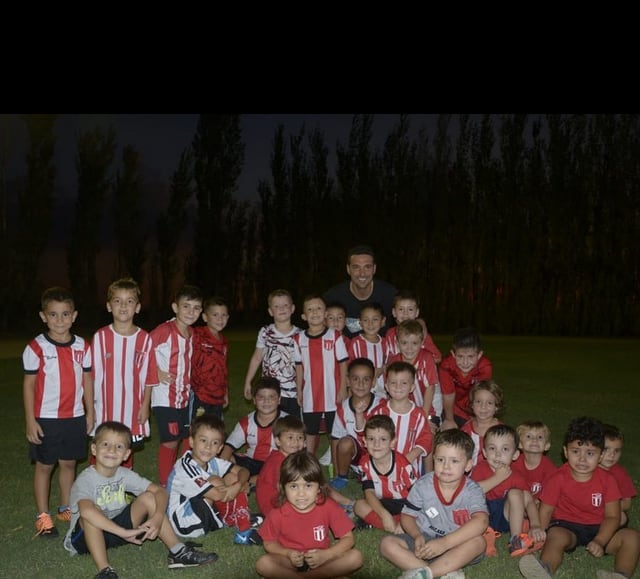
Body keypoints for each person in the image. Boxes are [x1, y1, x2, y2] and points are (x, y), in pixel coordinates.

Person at [63, 421, 217, 579]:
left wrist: (157, 517)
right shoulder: (86, 479)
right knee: (90, 514)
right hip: (86, 538)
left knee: (150, 497)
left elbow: (160, 491)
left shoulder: (123, 473)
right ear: (94, 449)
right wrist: (124, 532)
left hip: (117, 530)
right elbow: (86, 511)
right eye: (106, 444)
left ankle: (178, 551)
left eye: (119, 447)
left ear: (126, 454)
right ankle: (105, 571)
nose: (111, 450)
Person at [519, 416, 640, 579]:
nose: (582, 459)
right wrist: (539, 530)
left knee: (632, 537)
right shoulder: (558, 477)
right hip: (567, 526)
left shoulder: (608, 480)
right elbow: (546, 510)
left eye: (590, 453)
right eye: (576, 451)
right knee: (555, 537)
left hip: (600, 525)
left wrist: (600, 541)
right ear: (565, 452)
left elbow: (613, 516)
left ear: (601, 455)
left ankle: (621, 575)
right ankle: (545, 569)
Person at [23, 286, 94, 537]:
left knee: (69, 463)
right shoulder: (36, 347)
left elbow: (87, 380)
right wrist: (31, 420)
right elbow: (29, 385)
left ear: (74, 316)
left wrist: (90, 412)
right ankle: (43, 516)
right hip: (46, 418)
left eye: (65, 314)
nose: (60, 320)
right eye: (53, 315)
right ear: (43, 316)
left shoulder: (83, 346)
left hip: (74, 416)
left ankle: (66, 507)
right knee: (44, 465)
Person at [379, 429, 488, 579]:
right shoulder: (423, 485)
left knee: (478, 542)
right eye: (440, 460)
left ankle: (427, 573)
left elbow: (481, 522)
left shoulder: (472, 490)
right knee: (387, 544)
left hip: (457, 544)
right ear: (433, 459)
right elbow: (407, 516)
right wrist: (416, 535)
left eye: (454, 461)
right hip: (425, 539)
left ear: (468, 465)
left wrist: (444, 543)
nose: (446, 466)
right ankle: (441, 572)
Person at [255, 450, 364, 578]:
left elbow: (348, 539)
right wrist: (287, 553)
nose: (301, 494)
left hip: (321, 559)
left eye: (308, 486)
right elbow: (269, 543)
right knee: (263, 564)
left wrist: (326, 555)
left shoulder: (328, 506)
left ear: (319, 487)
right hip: (290, 561)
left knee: (355, 557)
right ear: (282, 488)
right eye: (294, 486)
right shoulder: (277, 511)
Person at [166, 413, 262, 546]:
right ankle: (242, 528)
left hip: (202, 508)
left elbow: (243, 471)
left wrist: (239, 483)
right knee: (216, 481)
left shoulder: (213, 461)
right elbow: (217, 495)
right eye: (203, 440)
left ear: (220, 448)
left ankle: (237, 515)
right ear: (192, 441)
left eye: (214, 443)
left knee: (233, 477)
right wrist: (240, 487)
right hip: (186, 523)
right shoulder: (184, 468)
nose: (208, 447)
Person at [92, 277, 156, 469]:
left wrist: (145, 405)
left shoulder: (144, 339)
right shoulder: (101, 337)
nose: (123, 306)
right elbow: (92, 375)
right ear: (109, 306)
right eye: (117, 301)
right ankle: (94, 490)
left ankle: (121, 492)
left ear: (137, 307)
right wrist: (90, 407)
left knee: (124, 450)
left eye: (129, 301)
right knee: (101, 448)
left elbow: (149, 376)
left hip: (132, 407)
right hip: (104, 407)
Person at [149, 284, 203, 487]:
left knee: (186, 437)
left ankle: (182, 476)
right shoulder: (165, 330)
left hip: (184, 397)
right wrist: (156, 372)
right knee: (171, 440)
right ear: (175, 307)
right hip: (164, 397)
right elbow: (142, 351)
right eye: (186, 306)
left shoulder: (191, 333)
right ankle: (165, 485)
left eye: (196, 308)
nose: (191, 312)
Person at [471, 424, 546, 557]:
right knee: (474, 497)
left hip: (505, 517)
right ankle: (486, 537)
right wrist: (499, 477)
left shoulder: (516, 475)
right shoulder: (480, 470)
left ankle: (516, 540)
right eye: (492, 448)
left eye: (505, 449)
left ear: (515, 454)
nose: (498, 454)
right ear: (484, 452)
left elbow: (529, 501)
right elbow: (472, 492)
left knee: (516, 493)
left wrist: (536, 524)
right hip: (482, 516)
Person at [294, 294, 349, 456]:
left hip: (333, 394)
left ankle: (337, 469)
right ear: (304, 316)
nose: (315, 312)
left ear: (325, 313)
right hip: (311, 395)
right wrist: (299, 391)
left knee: (335, 433)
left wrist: (343, 389)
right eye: (310, 309)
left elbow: (343, 363)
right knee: (310, 432)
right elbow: (299, 368)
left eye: (319, 308)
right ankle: (309, 464)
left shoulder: (335, 336)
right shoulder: (298, 339)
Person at [353, 414, 418, 533]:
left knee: (420, 513)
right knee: (359, 506)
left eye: (383, 439)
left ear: (392, 442)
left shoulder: (403, 465)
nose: (376, 444)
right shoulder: (364, 463)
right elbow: (369, 493)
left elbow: (417, 496)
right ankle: (396, 526)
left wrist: (409, 515)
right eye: (371, 439)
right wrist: (384, 515)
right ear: (365, 442)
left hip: (405, 503)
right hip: (382, 503)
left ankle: (402, 523)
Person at [243, 289, 301, 417]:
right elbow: (257, 357)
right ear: (270, 311)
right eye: (276, 306)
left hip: (293, 392)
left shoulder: (300, 335)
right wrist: (248, 381)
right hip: (269, 391)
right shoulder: (265, 332)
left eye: (285, 305)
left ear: (292, 308)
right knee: (269, 425)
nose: (281, 309)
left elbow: (304, 365)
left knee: (291, 428)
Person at [368, 361, 433, 475]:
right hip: (381, 467)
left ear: (412, 387)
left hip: (409, 469)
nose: (398, 387)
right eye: (393, 382)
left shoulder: (419, 415)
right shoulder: (378, 412)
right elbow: (368, 436)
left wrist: (411, 456)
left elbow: (426, 439)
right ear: (386, 386)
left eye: (404, 383)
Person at [329, 357, 383, 490]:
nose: (361, 384)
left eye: (366, 379)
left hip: (378, 453)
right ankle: (343, 476)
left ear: (373, 382)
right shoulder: (343, 408)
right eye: (355, 379)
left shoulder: (382, 405)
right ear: (348, 381)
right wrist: (336, 473)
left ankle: (374, 473)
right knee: (345, 442)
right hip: (357, 454)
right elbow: (336, 440)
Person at [220, 376, 287, 485]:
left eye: (271, 397)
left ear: (279, 400)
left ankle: (250, 481)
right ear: (254, 400)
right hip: (250, 462)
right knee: (221, 455)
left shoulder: (287, 422)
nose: (266, 401)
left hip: (274, 464)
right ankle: (252, 481)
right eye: (261, 397)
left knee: (286, 468)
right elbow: (228, 446)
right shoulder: (246, 422)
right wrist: (220, 466)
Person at [323, 244, 397, 338]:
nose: (362, 273)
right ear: (348, 269)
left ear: (374, 269)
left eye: (367, 267)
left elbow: (410, 319)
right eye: (356, 267)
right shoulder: (332, 297)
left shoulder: (389, 294)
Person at [386, 320, 441, 432]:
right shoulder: (394, 361)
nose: (409, 348)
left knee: (427, 434)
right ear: (397, 342)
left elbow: (430, 388)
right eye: (404, 343)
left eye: (414, 343)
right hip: (403, 408)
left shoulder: (427, 358)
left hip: (427, 410)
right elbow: (391, 391)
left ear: (422, 342)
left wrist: (423, 417)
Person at [440, 327, 493, 430]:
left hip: (472, 406)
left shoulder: (485, 367)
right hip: (452, 406)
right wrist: (449, 420)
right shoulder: (447, 366)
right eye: (460, 356)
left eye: (470, 357)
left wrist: (477, 418)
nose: (465, 362)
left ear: (479, 355)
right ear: (453, 354)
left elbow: (481, 395)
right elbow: (448, 395)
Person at [255, 414, 307, 516]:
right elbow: (283, 488)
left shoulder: (292, 457)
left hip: (282, 499)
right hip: (273, 506)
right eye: (290, 437)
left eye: (300, 437)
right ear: (278, 441)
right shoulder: (278, 461)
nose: (295, 441)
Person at [190, 295, 230, 420]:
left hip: (217, 396)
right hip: (199, 394)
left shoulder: (224, 342)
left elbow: (222, 370)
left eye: (224, 315)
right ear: (205, 317)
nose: (220, 319)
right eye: (215, 315)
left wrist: (225, 393)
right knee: (196, 428)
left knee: (215, 429)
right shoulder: (197, 334)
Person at [384, 290, 441, 364]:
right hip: (397, 373)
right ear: (394, 312)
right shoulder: (390, 333)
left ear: (417, 313)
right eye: (401, 309)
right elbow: (387, 357)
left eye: (410, 309)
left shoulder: (421, 334)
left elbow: (437, 357)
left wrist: (414, 361)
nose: (405, 313)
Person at [460, 380, 504, 468]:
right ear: (472, 405)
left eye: (489, 403)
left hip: (494, 474)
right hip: (470, 475)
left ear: (496, 407)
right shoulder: (466, 430)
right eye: (478, 402)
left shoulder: (502, 431)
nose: (483, 407)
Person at [600, 423, 636, 527]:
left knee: (622, 517)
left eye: (617, 450)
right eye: (606, 449)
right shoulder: (588, 469)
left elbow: (627, 503)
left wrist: (606, 507)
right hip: (584, 511)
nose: (612, 455)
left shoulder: (620, 473)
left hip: (607, 512)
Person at [347, 302, 387, 397]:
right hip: (360, 390)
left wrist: (381, 370)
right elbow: (349, 367)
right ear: (360, 322)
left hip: (383, 392)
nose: (370, 323)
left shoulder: (386, 343)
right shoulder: (355, 343)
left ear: (382, 321)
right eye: (366, 320)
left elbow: (390, 363)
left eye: (375, 319)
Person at [512, 420, 557, 504]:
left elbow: (549, 496)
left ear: (547, 445)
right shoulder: (513, 464)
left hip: (538, 504)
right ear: (519, 444)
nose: (534, 440)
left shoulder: (549, 469)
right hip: (518, 503)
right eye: (528, 436)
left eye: (540, 437)